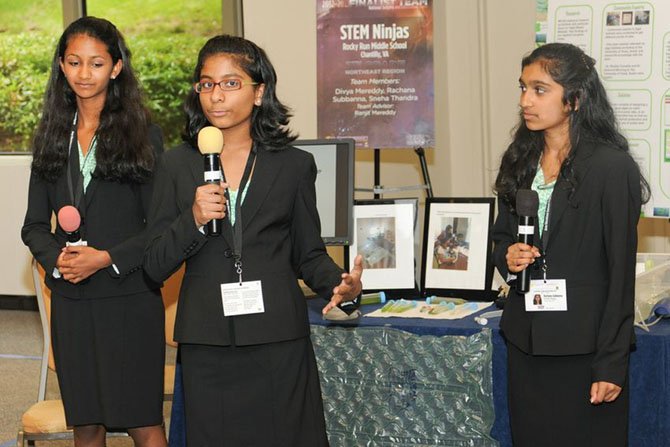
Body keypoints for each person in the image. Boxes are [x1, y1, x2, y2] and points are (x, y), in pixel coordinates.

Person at [143, 34, 363, 446]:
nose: (216, 96)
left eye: (230, 83)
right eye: (206, 84)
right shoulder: (176, 165)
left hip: (277, 338)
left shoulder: (295, 165)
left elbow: (308, 252)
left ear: (259, 92)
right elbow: (154, 264)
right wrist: (192, 218)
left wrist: (341, 285)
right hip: (207, 340)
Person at [492, 42, 649, 447]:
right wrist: (508, 256)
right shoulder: (520, 159)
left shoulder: (611, 167)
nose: (526, 100)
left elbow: (619, 275)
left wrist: (611, 364)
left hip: (585, 350)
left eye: (540, 90)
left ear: (575, 99)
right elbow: (501, 236)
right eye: (523, 87)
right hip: (525, 341)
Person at [21, 17, 166, 447]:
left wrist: (104, 257)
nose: (84, 73)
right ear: (61, 67)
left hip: (128, 296)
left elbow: (159, 225)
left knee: (143, 422)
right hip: (73, 299)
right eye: (74, 62)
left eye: (97, 63)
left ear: (116, 67)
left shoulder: (144, 136)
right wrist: (59, 261)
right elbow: (32, 226)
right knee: (85, 425)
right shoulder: (50, 136)